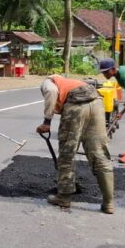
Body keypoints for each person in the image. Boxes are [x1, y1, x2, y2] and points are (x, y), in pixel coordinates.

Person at [37, 75, 115, 214]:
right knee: (99, 152)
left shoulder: (48, 82)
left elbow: (51, 92)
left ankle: (64, 197)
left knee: (67, 153)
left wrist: (46, 122)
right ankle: (108, 203)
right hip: (96, 104)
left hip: (76, 107)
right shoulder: (70, 82)